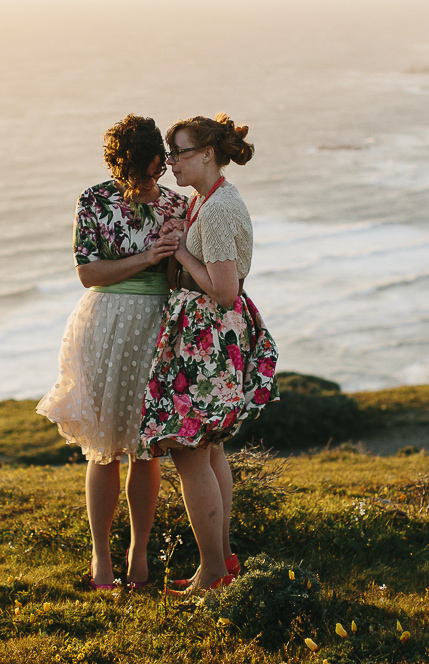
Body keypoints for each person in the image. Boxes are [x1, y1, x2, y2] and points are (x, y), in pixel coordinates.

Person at [37, 114, 186, 590]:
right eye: (141, 170)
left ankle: (138, 557)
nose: (150, 179)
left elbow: (184, 273)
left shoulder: (179, 204)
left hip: (157, 326)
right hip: (105, 326)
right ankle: (101, 557)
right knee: (103, 450)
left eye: (155, 168)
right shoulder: (94, 200)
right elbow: (87, 273)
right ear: (122, 164)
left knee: (147, 449)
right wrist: (147, 257)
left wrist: (177, 261)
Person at [138, 113, 279, 594]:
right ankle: (215, 566)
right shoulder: (211, 199)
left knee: (190, 451)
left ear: (208, 154)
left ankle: (215, 571)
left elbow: (223, 289)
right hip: (209, 337)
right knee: (208, 448)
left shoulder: (217, 209)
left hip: (208, 337)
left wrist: (181, 256)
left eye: (179, 153)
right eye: (171, 153)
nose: (171, 162)